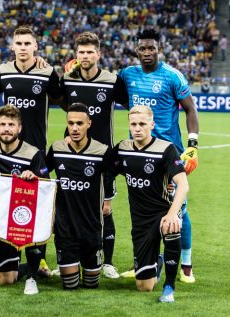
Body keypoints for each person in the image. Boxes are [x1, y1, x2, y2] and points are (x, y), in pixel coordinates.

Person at [119, 29, 199, 283]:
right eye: (142, 48)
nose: (146, 52)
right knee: (143, 208)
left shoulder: (172, 76)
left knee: (178, 208)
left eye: (151, 48)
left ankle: (185, 264)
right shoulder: (127, 75)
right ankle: (144, 261)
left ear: (158, 49)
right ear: (137, 50)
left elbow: (190, 108)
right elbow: (114, 94)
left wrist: (192, 144)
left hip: (169, 152)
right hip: (140, 152)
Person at [0, 26, 62, 276]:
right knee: (11, 208)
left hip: (35, 152)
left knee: (39, 210)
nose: (22, 47)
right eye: (18, 43)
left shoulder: (46, 72)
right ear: (13, 47)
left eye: (27, 44)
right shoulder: (4, 71)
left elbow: (62, 99)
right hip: (7, 153)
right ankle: (10, 255)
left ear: (35, 47)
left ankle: (38, 260)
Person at [61, 32, 128, 279]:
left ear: (98, 54)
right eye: (81, 52)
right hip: (73, 156)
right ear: (76, 55)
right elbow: (62, 103)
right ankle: (69, 257)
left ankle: (107, 261)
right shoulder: (68, 80)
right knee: (70, 206)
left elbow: (132, 105)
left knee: (104, 209)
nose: (86, 56)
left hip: (104, 158)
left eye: (90, 52)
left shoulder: (112, 81)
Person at [111, 105, 189, 303]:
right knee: (144, 287)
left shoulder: (166, 149)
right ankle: (158, 262)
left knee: (171, 226)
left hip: (162, 212)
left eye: (142, 124)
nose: (137, 128)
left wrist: (172, 213)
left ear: (152, 125)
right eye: (133, 124)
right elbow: (103, 169)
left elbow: (183, 185)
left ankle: (169, 287)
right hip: (140, 223)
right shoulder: (122, 148)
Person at [0, 104, 48, 295]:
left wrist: (33, 177)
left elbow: (46, 187)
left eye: (11, 124)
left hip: (27, 219)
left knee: (32, 238)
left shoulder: (32, 153)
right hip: (2, 221)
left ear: (19, 128)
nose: (6, 129)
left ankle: (33, 273)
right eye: (2, 124)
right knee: (5, 280)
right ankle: (30, 267)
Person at [46, 103, 111, 290]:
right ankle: (29, 271)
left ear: (89, 124)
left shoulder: (102, 151)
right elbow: (41, 170)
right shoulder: (57, 148)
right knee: (70, 285)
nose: (74, 128)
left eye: (79, 123)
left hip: (91, 227)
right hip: (65, 228)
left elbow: (120, 171)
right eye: (71, 123)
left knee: (92, 285)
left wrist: (108, 200)